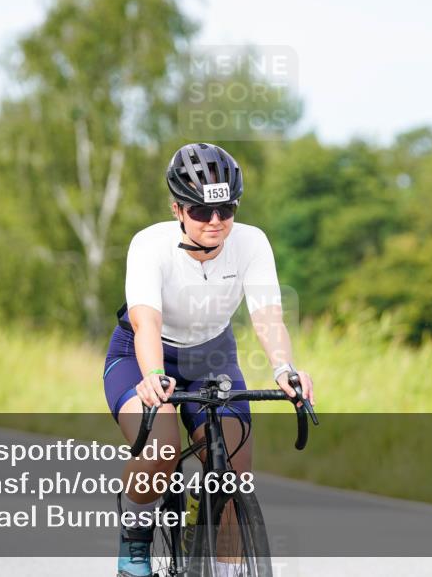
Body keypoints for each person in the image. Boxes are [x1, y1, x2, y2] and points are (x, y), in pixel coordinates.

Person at [103, 142, 315, 577]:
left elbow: (268, 315)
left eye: (227, 210)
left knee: (234, 468)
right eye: (201, 212)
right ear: (178, 209)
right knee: (163, 448)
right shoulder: (149, 245)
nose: (216, 222)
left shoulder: (252, 243)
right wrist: (154, 377)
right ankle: (136, 537)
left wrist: (284, 370)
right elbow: (146, 323)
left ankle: (225, 568)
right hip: (143, 353)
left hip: (212, 356)